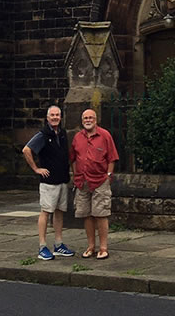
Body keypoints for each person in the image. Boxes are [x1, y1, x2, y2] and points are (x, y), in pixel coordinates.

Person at [22, 105, 75, 260]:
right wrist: (36, 169)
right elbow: (26, 150)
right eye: (52, 115)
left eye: (57, 115)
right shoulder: (43, 134)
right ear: (47, 117)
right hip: (48, 182)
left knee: (59, 212)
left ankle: (58, 244)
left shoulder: (62, 133)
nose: (55, 117)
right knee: (46, 212)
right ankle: (42, 246)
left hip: (62, 179)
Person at [70, 108, 118, 260]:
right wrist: (76, 174)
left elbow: (112, 158)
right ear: (82, 120)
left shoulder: (105, 135)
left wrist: (108, 175)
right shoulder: (77, 137)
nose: (88, 120)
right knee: (86, 215)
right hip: (82, 181)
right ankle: (91, 246)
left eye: (91, 117)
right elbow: (73, 158)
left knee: (101, 214)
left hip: (100, 181)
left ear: (96, 120)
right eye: (85, 118)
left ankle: (103, 248)